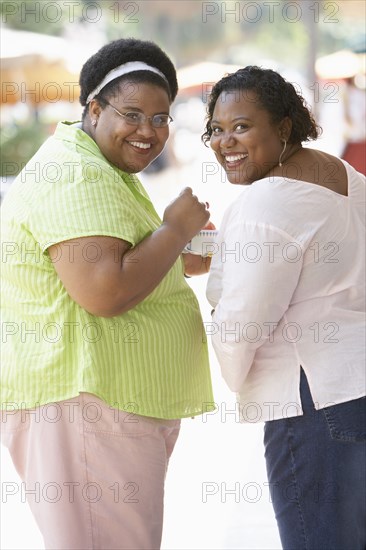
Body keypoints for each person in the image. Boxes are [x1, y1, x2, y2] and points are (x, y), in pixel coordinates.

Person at [0, 38, 214, 550]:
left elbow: (129, 258)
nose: (149, 131)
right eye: (133, 114)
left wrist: (202, 248)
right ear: (94, 108)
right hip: (84, 402)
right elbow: (106, 291)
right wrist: (175, 230)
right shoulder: (76, 174)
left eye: (162, 118)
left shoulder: (100, 167)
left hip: (104, 401)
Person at [203, 66, 365, 549]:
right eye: (215, 129)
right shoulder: (344, 175)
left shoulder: (266, 202)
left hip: (312, 402)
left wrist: (230, 365)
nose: (224, 142)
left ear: (284, 127)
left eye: (241, 126)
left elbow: (241, 322)